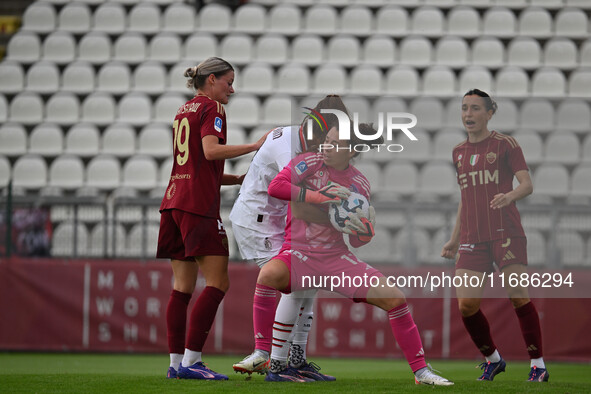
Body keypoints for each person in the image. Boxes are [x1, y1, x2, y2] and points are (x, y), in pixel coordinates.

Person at [251, 121, 454, 385]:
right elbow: (276, 187)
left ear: (353, 150)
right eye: (327, 140)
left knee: (395, 298)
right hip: (300, 253)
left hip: (336, 259)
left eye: (336, 144)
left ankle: (421, 372)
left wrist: (364, 233)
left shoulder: (359, 183)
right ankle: (264, 355)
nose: (327, 147)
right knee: (268, 274)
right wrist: (318, 198)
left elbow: (356, 241)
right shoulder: (308, 162)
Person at [156, 57, 269, 380]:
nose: (232, 89)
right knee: (219, 281)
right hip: (197, 207)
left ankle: (176, 364)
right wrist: (254, 145)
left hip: (173, 202)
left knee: (181, 288)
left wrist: (236, 180)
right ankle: (193, 362)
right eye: (228, 81)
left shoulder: (184, 110)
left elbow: (194, 166)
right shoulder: (213, 109)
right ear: (211, 80)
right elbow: (209, 152)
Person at [230, 95, 351, 381]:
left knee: (308, 283)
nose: (330, 145)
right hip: (257, 221)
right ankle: (271, 359)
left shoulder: (301, 138)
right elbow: (281, 189)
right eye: (330, 138)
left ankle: (295, 358)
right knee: (295, 283)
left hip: (275, 220)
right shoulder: (289, 147)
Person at [441, 89, 548, 382]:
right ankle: (493, 360)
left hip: (506, 233)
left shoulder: (505, 145)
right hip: (472, 237)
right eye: (464, 108)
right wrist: (453, 238)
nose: (468, 114)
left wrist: (509, 195)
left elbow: (527, 184)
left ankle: (537, 365)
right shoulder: (458, 152)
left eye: (475, 108)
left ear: (489, 113)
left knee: (517, 296)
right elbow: (466, 197)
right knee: (466, 306)